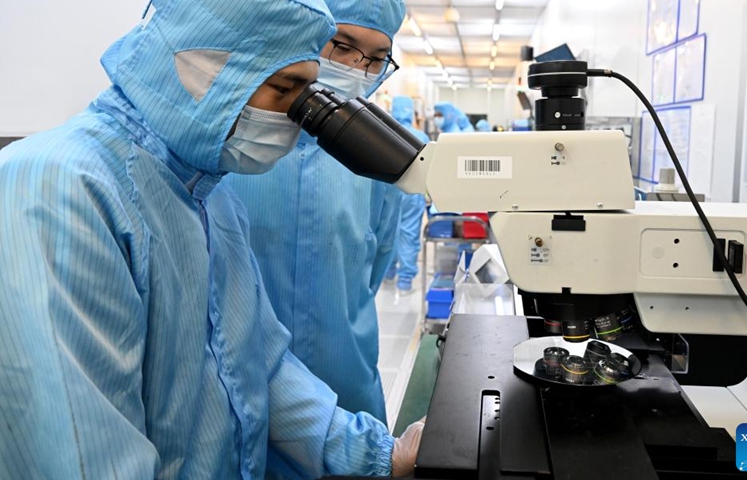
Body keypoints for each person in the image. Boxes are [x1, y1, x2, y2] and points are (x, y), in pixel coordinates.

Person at [0, 1, 422, 479]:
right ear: (201, 67)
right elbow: (83, 453)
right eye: (285, 88)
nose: (295, 117)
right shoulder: (59, 188)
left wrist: (381, 454)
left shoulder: (210, 198)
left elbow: (258, 368)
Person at [224, 0, 405, 427]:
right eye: (341, 45)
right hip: (244, 385)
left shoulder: (382, 155)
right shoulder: (240, 143)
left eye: (378, 59)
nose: (356, 68)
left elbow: (374, 264)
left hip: (346, 378)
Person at [383, 96, 430, 293]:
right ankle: (405, 280)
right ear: (411, 112)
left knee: (387, 231)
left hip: (387, 189)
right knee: (409, 232)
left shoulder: (383, 132)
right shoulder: (421, 136)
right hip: (412, 192)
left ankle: (388, 273)